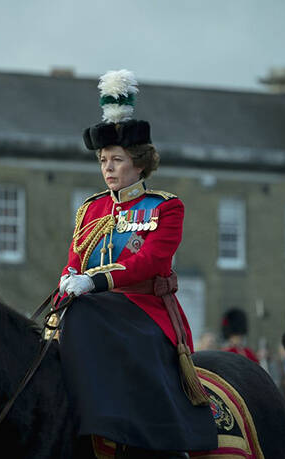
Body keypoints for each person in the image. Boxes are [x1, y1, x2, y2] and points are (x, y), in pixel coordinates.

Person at [57, 69, 216, 459]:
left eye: (117, 159)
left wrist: (93, 284)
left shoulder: (165, 206)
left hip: (147, 311)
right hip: (92, 307)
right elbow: (74, 261)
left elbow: (150, 261)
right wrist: (68, 281)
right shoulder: (90, 209)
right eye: (103, 160)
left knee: (90, 322)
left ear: (139, 163)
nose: (108, 167)